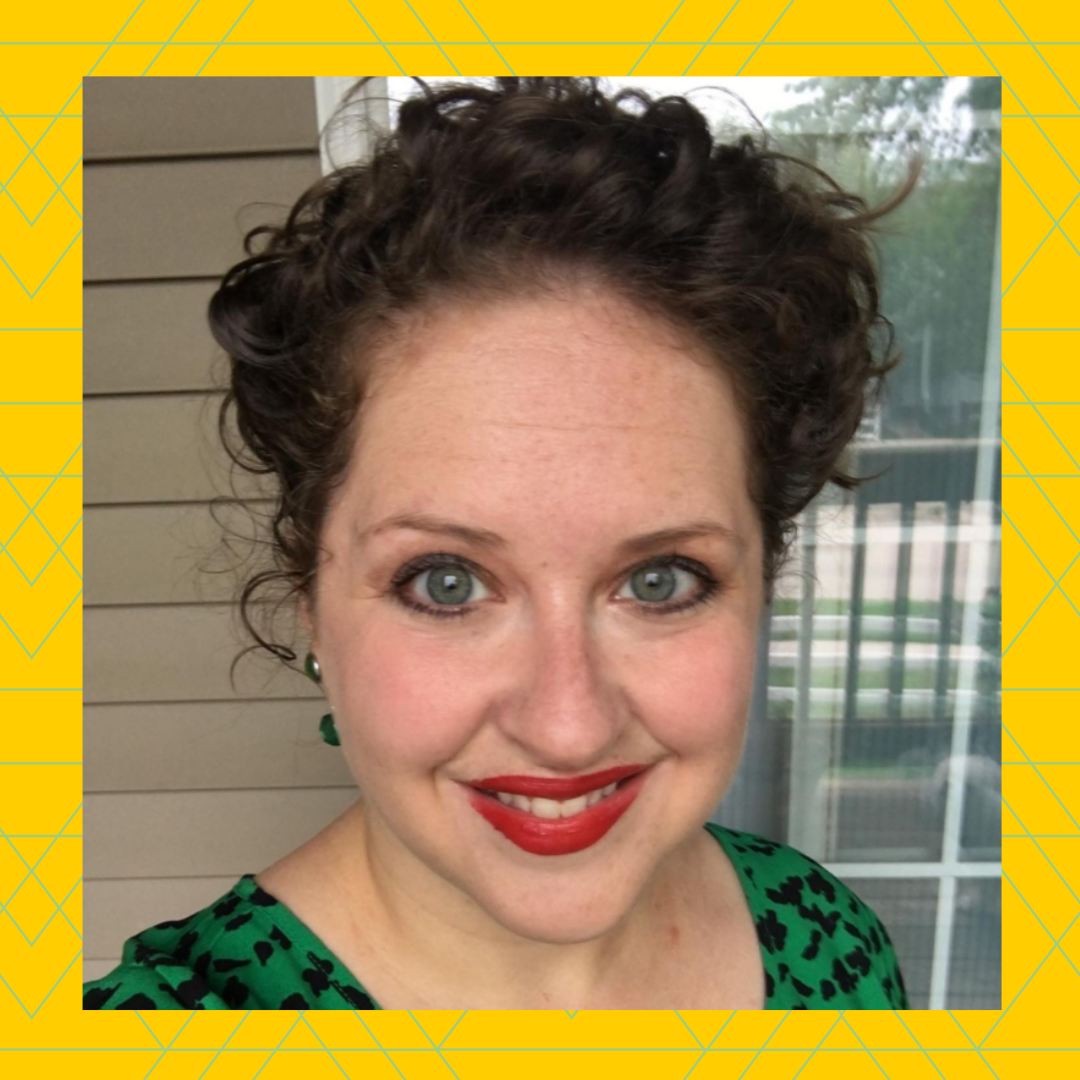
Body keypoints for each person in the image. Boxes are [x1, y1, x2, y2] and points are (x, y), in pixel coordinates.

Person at [84, 77, 910, 1011]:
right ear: (309, 601)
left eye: (660, 580)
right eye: (446, 582)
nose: (567, 727)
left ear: (764, 579)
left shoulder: (826, 937)